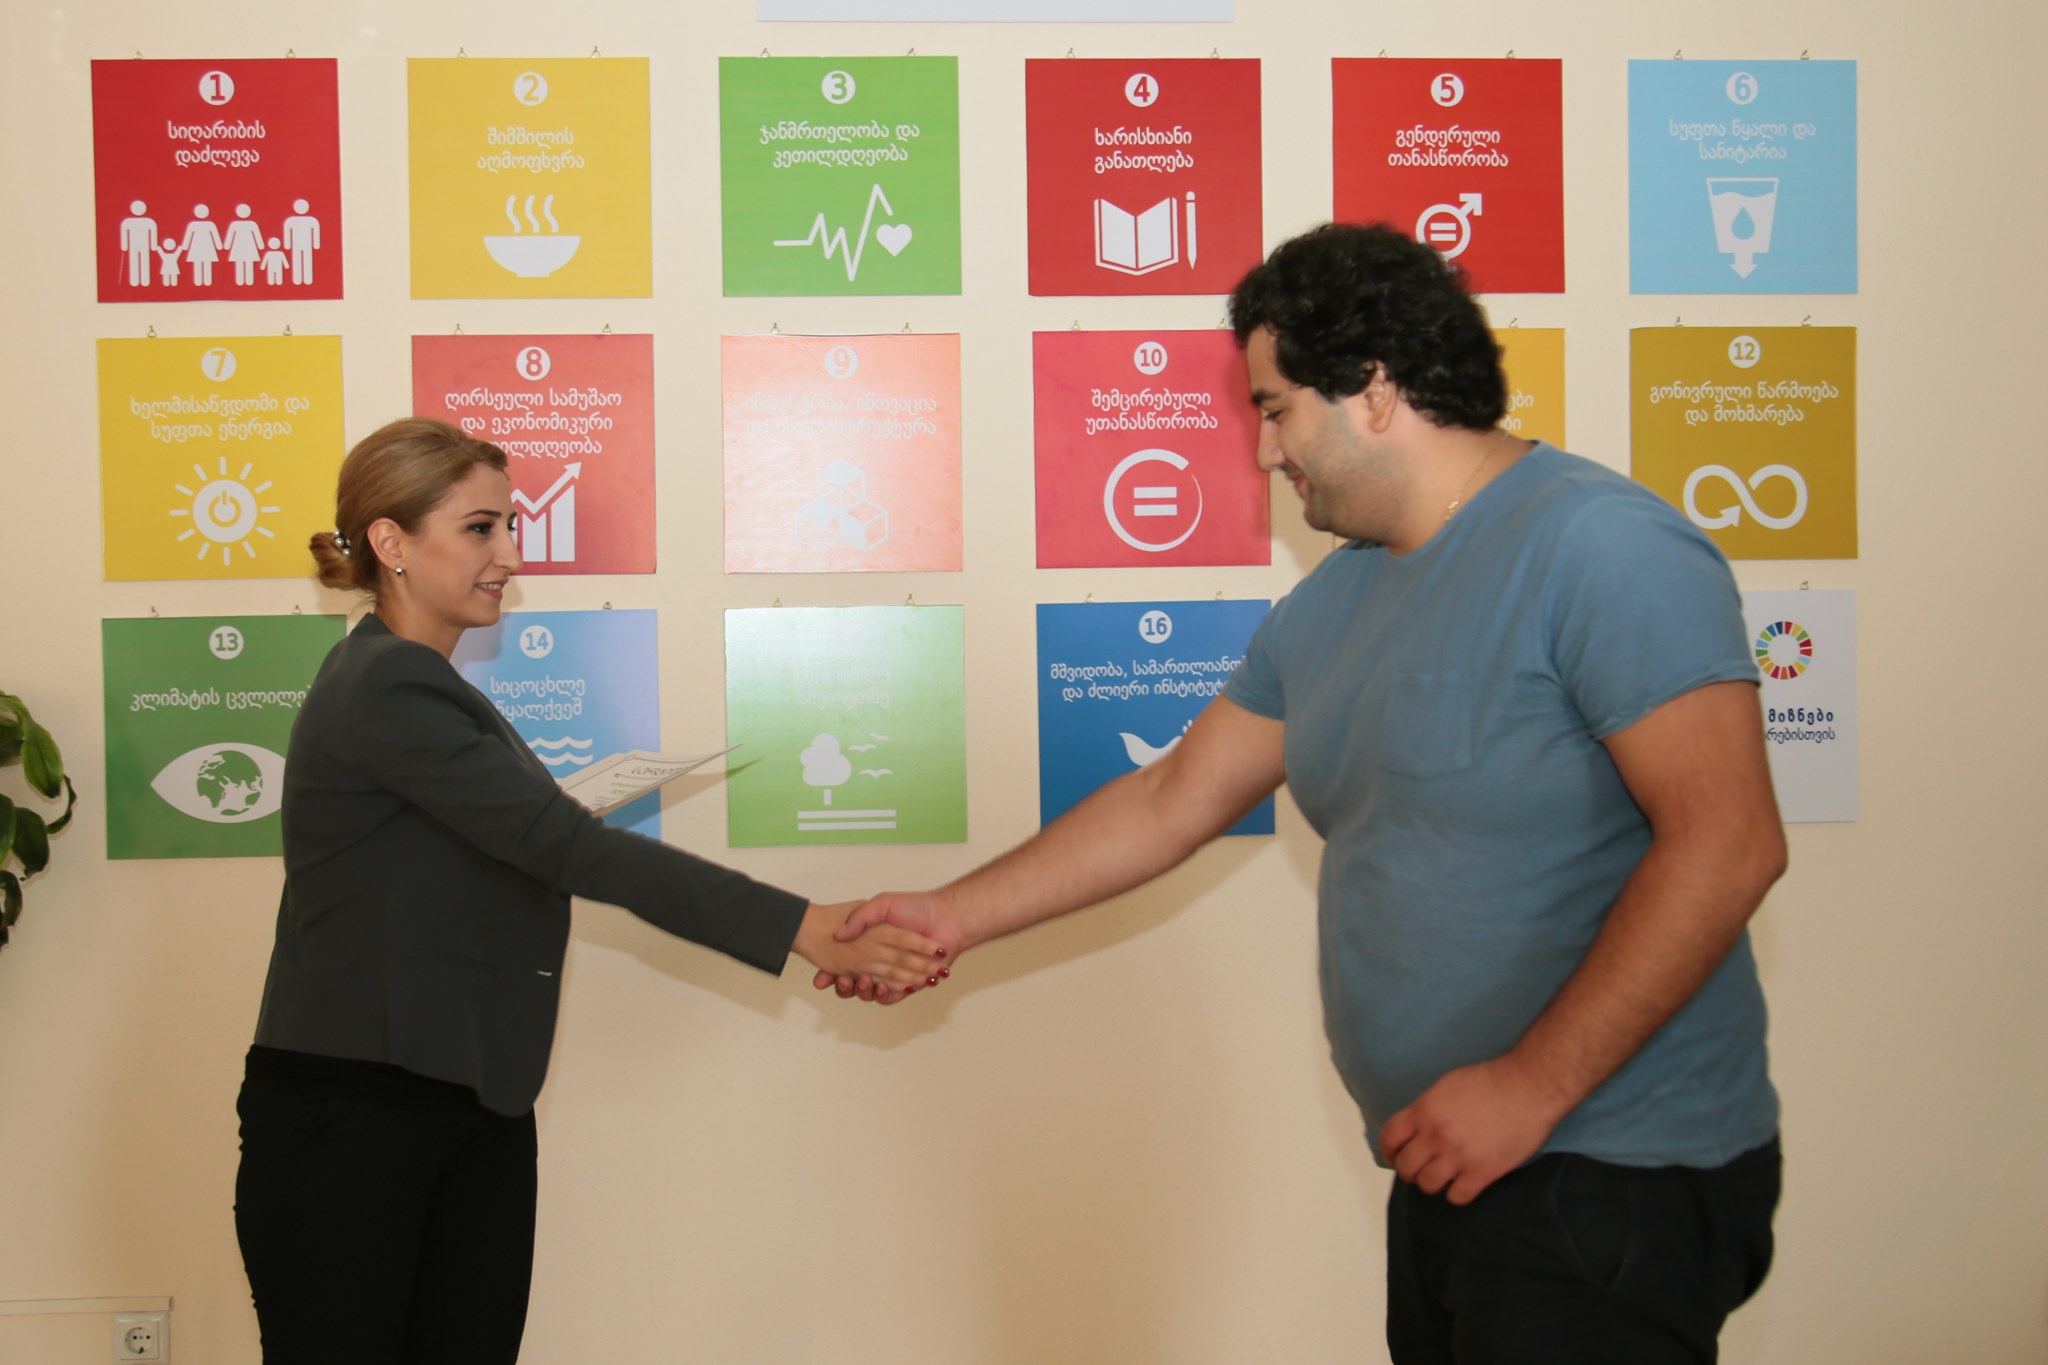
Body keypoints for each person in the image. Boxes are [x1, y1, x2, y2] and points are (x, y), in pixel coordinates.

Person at [827, 224, 1787, 1363]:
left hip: (1608, 1168)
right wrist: (949, 915)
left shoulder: (1601, 546)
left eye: (1276, 409)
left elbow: (1728, 844)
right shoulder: (1341, 596)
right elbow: (1173, 796)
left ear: (1374, 388)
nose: (1262, 451)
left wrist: (1530, 1087)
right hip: (1454, 1159)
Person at [236, 417, 947, 1365]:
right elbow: (565, 848)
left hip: (467, 1101)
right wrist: (804, 925)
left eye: (509, 526)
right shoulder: (386, 685)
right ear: (391, 541)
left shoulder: (421, 683)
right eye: (481, 528)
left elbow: (503, 850)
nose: (510, 555)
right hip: (357, 1118)